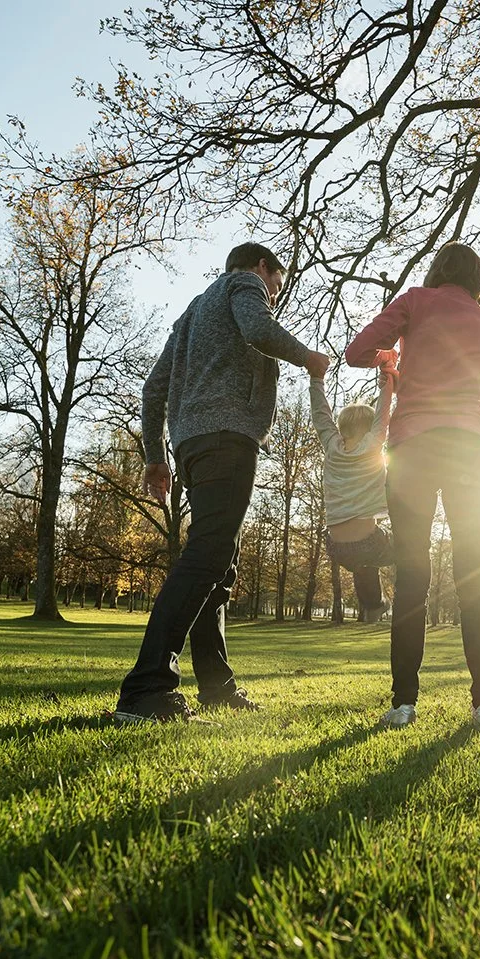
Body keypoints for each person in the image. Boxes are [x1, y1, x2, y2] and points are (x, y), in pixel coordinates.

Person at [114, 242, 330, 724]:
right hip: (226, 437)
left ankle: (217, 687)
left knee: (219, 564)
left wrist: (156, 456)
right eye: (277, 283)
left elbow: (153, 388)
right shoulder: (243, 284)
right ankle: (147, 689)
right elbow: (257, 328)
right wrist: (307, 358)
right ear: (261, 268)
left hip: (191, 446)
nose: (274, 293)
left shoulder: (193, 312)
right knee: (208, 556)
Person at [345, 241, 480, 729]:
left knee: (413, 576)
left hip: (414, 446)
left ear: (438, 271)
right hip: (468, 448)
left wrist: (391, 359)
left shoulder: (414, 300)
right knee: (472, 576)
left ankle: (404, 704)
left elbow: (356, 353)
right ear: (478, 280)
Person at [309, 351, 398, 622]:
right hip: (368, 542)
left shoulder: (332, 447)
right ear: (370, 429)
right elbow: (384, 413)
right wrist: (388, 380)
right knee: (411, 547)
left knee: (363, 565)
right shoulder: (373, 445)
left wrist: (316, 380)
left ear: (341, 428)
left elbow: (320, 415)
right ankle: (403, 602)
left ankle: (373, 604)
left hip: (335, 547)